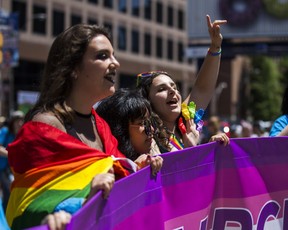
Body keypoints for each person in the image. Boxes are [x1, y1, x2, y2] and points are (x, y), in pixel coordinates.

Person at [5, 24, 159, 230]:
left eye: (113, 55)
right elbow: (25, 209)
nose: (115, 63)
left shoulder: (101, 125)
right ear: (74, 68)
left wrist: (136, 168)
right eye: (103, 56)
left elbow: (112, 179)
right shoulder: (44, 127)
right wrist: (84, 201)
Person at [136, 15, 229, 152]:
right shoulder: (144, 135)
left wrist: (215, 46)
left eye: (174, 87)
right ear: (147, 101)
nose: (172, 91)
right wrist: (190, 150)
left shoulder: (187, 122)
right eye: (162, 89)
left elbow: (201, 89)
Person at [96, 88, 163, 173]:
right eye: (142, 123)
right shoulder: (107, 171)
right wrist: (135, 171)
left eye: (149, 122)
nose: (152, 129)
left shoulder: (151, 158)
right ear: (120, 130)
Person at [0, 110, 24, 212]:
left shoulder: (21, 134)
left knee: (10, 194)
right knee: (10, 192)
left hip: (14, 170)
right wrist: (11, 155)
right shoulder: (5, 132)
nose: (19, 123)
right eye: (17, 121)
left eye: (21, 121)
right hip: (4, 168)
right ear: (12, 122)